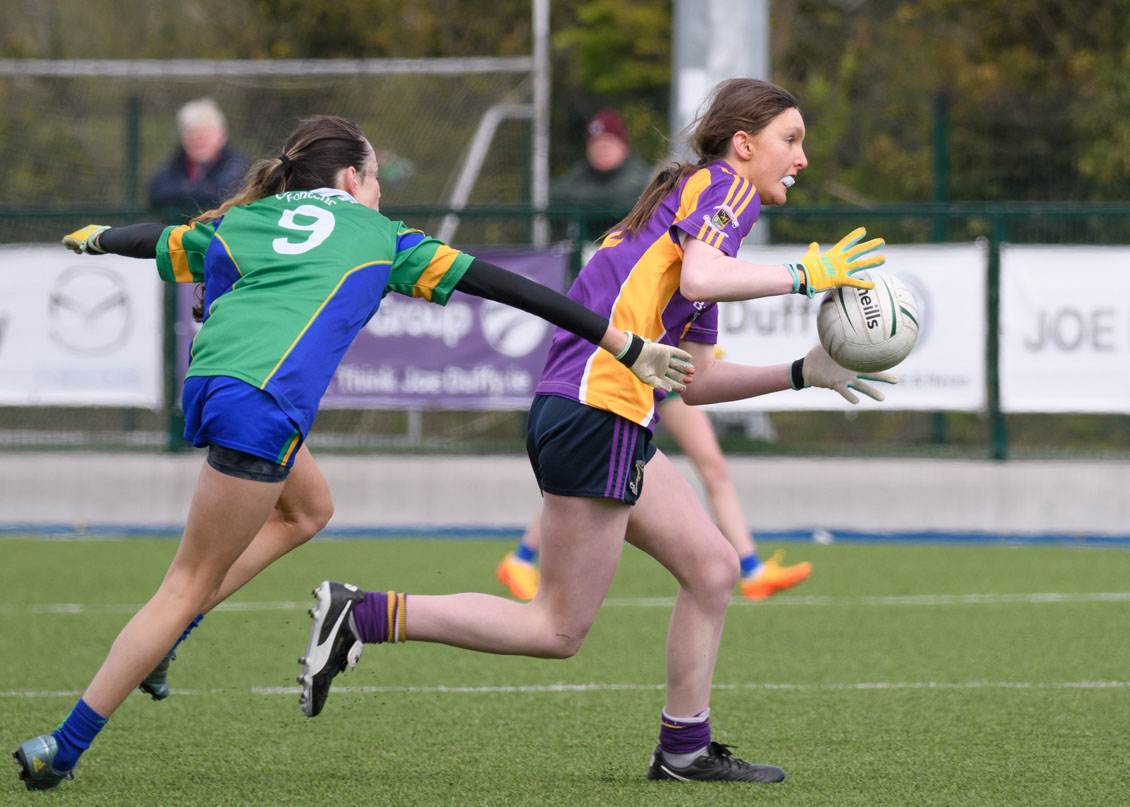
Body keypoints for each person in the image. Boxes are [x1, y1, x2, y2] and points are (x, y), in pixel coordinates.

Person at [12, 114, 693, 791]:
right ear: (350, 178)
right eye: (374, 179)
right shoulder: (381, 236)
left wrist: (97, 239)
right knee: (182, 584)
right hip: (262, 403)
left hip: (216, 385)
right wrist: (626, 344)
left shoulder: (248, 218)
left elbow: (154, 241)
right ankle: (62, 747)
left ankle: (168, 635)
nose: (378, 193)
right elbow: (517, 289)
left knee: (309, 509)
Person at [300, 78, 898, 786]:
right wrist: (806, 273)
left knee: (711, 568)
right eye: (789, 141)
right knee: (556, 628)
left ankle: (685, 747)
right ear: (744, 145)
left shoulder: (688, 214)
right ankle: (364, 613)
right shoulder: (724, 189)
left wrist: (804, 371)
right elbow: (708, 277)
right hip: (599, 407)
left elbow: (695, 378)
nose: (800, 159)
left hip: (598, 410)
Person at [496, 388, 811, 602]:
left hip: (667, 372)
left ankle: (753, 569)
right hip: (636, 366)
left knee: (713, 466)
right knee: (590, 472)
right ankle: (520, 560)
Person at [551, 108, 655, 237]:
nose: (601, 149)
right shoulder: (584, 170)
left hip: (630, 249)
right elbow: (554, 193)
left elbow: (617, 195)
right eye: (595, 143)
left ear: (624, 147)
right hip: (588, 250)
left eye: (608, 142)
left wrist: (578, 200)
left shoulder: (638, 172)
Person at [147, 97, 250, 215]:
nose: (198, 140)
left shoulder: (237, 164)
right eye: (192, 134)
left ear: (222, 136)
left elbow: (224, 193)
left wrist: (185, 190)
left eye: (205, 133)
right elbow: (156, 192)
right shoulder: (175, 163)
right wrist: (200, 190)